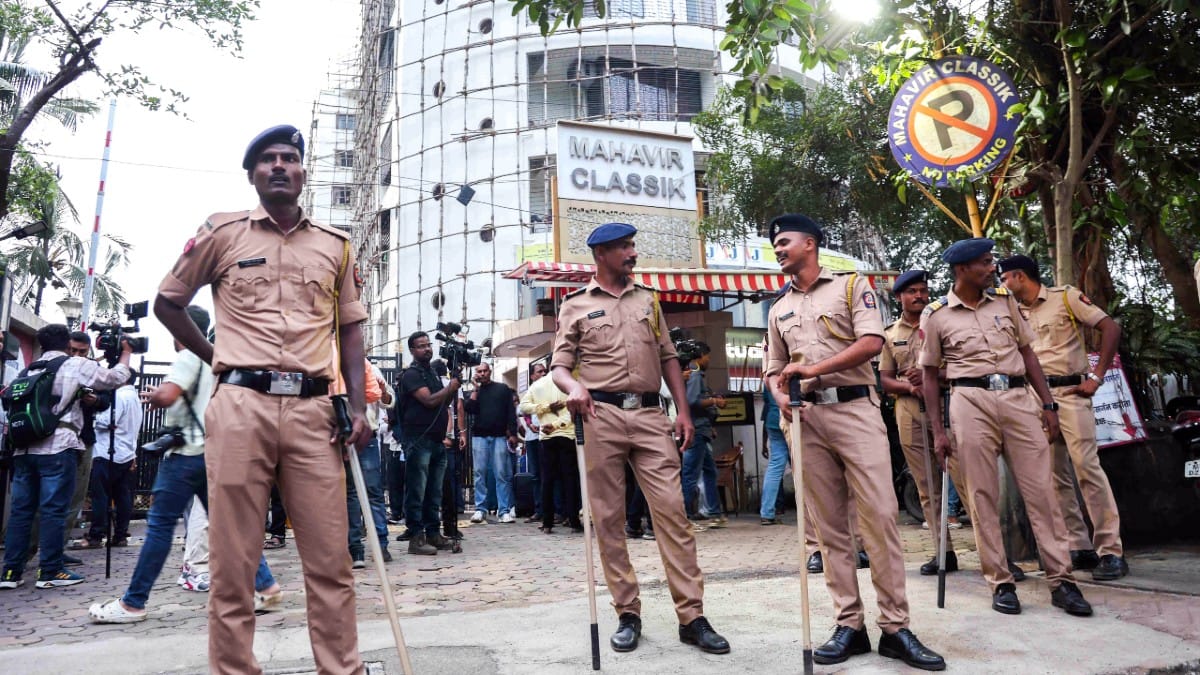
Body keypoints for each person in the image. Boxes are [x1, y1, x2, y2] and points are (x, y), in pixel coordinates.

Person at [154, 124, 371, 674]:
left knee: (331, 560)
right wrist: (216, 357)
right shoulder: (222, 232)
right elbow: (168, 301)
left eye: (290, 158)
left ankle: (340, 669)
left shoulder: (336, 245)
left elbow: (350, 329)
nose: (279, 166)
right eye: (268, 159)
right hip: (240, 409)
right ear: (251, 174)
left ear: (303, 172)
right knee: (233, 562)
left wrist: (360, 406)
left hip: (315, 413)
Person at [765, 214, 944, 671]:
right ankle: (849, 625)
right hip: (806, 420)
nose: (778, 249)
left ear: (810, 244)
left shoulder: (849, 286)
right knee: (829, 529)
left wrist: (813, 370)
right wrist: (780, 396)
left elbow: (870, 343)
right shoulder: (778, 307)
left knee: (880, 518)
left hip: (855, 411)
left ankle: (896, 628)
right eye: (775, 244)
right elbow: (773, 369)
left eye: (784, 241)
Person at [551, 222, 730, 656]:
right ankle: (627, 613)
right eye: (624, 247)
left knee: (673, 513)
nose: (633, 253)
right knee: (608, 519)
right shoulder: (575, 305)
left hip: (651, 416)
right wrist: (574, 388)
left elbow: (668, 356)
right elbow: (559, 366)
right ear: (601, 254)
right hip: (601, 415)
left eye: (633, 245)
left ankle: (692, 617)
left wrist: (682, 411)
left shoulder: (648, 299)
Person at [919, 238, 1093, 618]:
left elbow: (1028, 353)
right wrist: (938, 431)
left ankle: (1062, 582)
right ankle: (1001, 582)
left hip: (1017, 398)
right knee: (982, 496)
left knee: (1042, 492)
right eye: (984, 262)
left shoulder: (1004, 301)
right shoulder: (936, 315)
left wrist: (1047, 403)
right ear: (962, 269)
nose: (992, 268)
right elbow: (929, 375)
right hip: (969, 401)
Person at [88, 305, 282, 623]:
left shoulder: (189, 355)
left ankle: (133, 603)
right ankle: (266, 586)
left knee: (160, 527)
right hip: (212, 451)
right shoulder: (216, 358)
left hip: (184, 456)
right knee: (230, 526)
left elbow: (169, 394)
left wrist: (159, 396)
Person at [999, 254, 1128, 580]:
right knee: (1054, 475)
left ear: (1019, 276)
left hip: (1072, 393)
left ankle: (1110, 550)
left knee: (1087, 468)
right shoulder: (1011, 312)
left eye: (1004, 278)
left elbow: (1110, 327)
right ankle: (1078, 546)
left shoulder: (1065, 297)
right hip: (1037, 399)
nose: (1002, 284)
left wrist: (1096, 377)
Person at [0, 324, 132, 590]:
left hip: (23, 449)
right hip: (58, 447)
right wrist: (126, 353)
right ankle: (50, 570)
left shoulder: (29, 370)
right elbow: (115, 378)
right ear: (65, 343)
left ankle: (10, 573)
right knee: (54, 510)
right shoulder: (74, 365)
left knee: (21, 512)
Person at [879, 269, 967, 575]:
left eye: (923, 290)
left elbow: (964, 366)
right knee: (927, 485)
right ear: (900, 297)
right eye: (912, 291)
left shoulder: (942, 322)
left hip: (947, 404)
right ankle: (944, 553)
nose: (919, 296)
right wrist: (909, 386)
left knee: (967, 479)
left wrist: (933, 376)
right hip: (909, 410)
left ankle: (994, 554)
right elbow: (885, 380)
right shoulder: (890, 334)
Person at [396, 332, 460, 554]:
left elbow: (443, 401)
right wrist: (450, 387)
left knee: (434, 492)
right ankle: (416, 538)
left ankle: (434, 534)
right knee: (417, 491)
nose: (427, 349)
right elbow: (429, 400)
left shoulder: (432, 372)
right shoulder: (411, 375)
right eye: (421, 346)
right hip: (419, 439)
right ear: (412, 350)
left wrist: (452, 387)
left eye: (428, 344)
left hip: (436, 440)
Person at [518, 361, 583, 535]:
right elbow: (573, 411)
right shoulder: (570, 382)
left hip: (546, 437)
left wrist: (544, 409)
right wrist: (555, 422)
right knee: (570, 479)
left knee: (547, 480)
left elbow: (523, 406)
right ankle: (574, 521)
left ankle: (547, 523)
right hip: (566, 435)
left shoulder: (537, 385)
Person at [341, 356, 394, 567]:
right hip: (344, 438)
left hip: (368, 438)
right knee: (351, 495)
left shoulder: (370, 369)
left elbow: (388, 401)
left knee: (373, 492)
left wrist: (383, 392)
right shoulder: (335, 367)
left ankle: (381, 544)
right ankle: (356, 549)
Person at [86, 371, 142, 548]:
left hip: (107, 451)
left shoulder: (119, 396)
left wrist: (93, 414)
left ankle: (96, 535)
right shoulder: (135, 399)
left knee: (100, 495)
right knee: (123, 496)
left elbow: (108, 421)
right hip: (127, 453)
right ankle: (120, 534)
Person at [465, 362, 519, 524]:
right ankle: (480, 509)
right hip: (479, 436)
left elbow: (510, 411)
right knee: (479, 473)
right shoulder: (476, 391)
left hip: (499, 436)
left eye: (485, 371)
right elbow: (469, 409)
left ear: (490, 371)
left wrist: (513, 433)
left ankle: (504, 510)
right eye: (479, 371)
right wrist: (475, 389)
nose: (482, 374)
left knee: (501, 473)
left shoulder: (502, 389)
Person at [681, 342, 727, 527]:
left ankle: (714, 512)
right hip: (696, 430)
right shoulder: (694, 373)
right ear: (700, 355)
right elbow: (692, 401)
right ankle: (686, 516)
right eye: (707, 356)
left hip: (702, 428)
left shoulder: (694, 373)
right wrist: (714, 401)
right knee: (690, 474)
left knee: (709, 471)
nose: (709, 360)